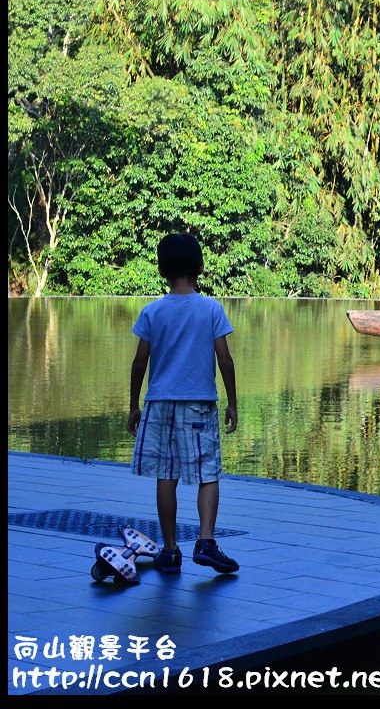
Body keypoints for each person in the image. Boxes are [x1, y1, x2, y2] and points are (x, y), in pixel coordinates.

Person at [125, 232, 240, 577]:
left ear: (162, 270)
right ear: (200, 267)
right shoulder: (211, 309)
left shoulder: (153, 311)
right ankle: (205, 541)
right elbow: (225, 360)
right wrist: (232, 402)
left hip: (160, 403)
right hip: (199, 405)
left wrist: (133, 405)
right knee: (208, 472)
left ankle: (170, 550)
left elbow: (139, 363)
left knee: (166, 474)